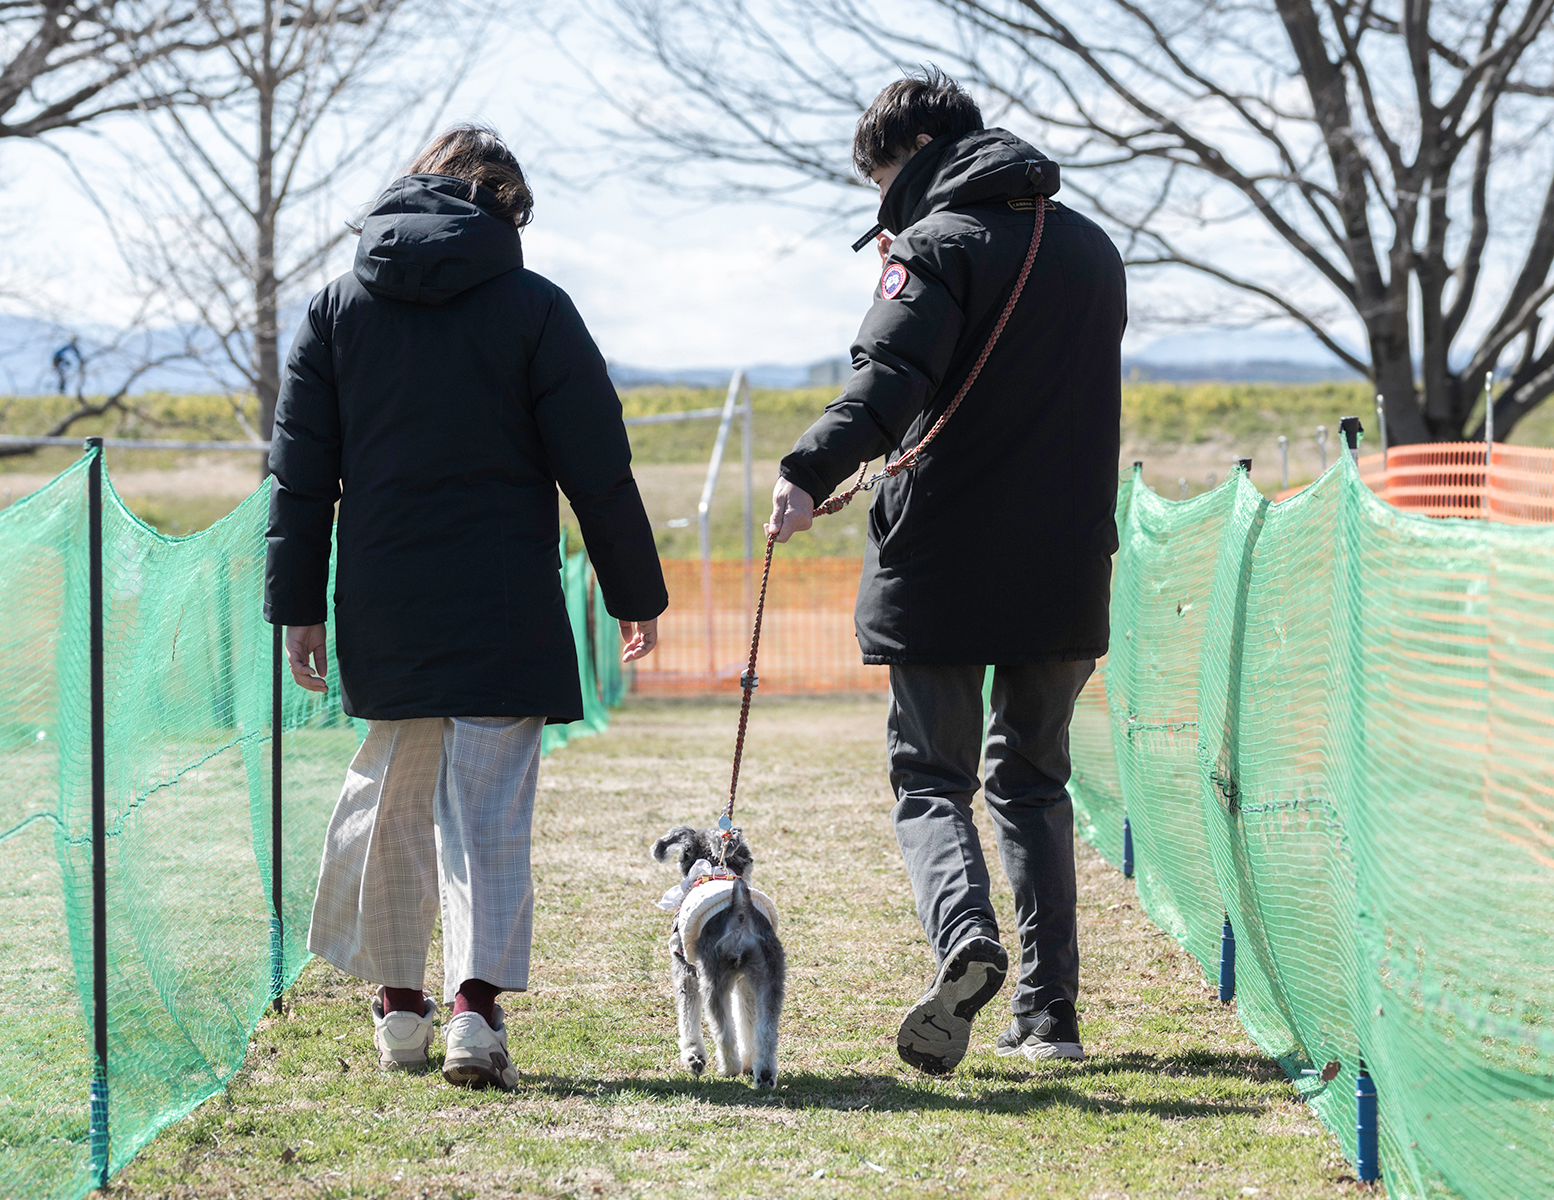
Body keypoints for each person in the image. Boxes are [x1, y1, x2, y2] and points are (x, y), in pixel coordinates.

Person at [263, 125, 667, 1090]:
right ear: (504, 209)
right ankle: (473, 1014)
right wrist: (634, 591)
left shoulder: (333, 308)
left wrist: (297, 609)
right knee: (487, 810)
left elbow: (299, 481)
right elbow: (597, 469)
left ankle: (399, 1006)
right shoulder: (536, 309)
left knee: (392, 796)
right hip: (504, 597)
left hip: (383, 598)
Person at [766, 70, 1125, 1074]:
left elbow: (888, 384)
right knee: (1035, 783)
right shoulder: (1092, 250)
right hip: (1064, 568)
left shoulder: (930, 248)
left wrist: (805, 475)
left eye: (880, 175)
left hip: (943, 565)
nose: (879, 198)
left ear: (915, 151)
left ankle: (967, 940)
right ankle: (1050, 1019)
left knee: (930, 777)